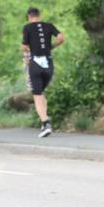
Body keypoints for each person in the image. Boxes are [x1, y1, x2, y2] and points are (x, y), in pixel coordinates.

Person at [21, 7, 65, 138]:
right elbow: (61, 37)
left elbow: (24, 46)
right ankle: (44, 120)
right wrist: (51, 47)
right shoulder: (49, 26)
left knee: (37, 94)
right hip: (49, 65)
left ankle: (46, 124)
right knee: (41, 93)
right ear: (39, 15)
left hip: (35, 64)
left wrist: (27, 56)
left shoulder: (27, 27)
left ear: (29, 17)